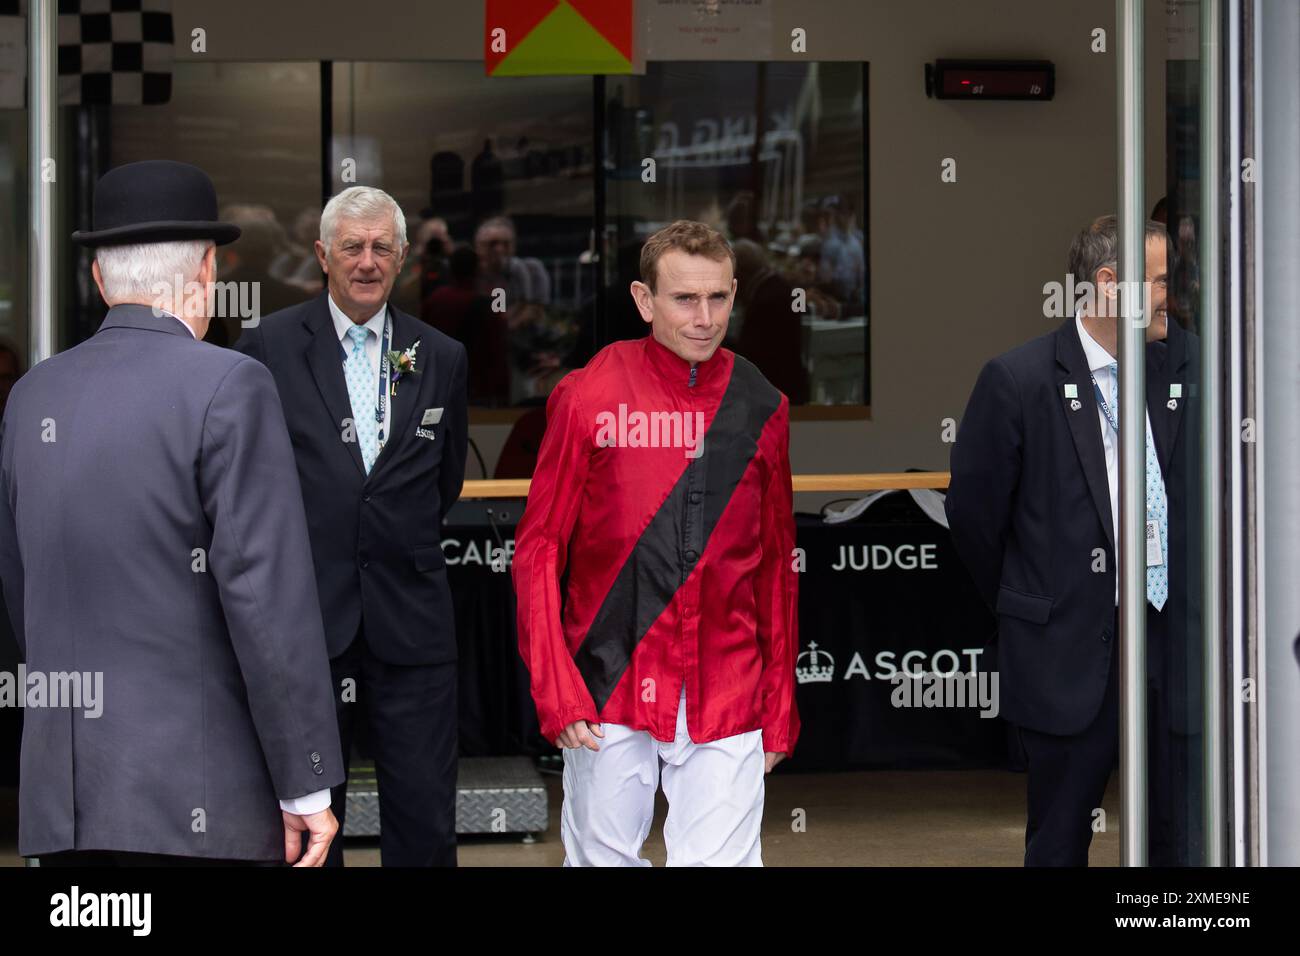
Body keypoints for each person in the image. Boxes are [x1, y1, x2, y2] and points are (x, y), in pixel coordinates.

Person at [0, 160, 342, 866]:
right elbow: (265, 601)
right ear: (208, 272)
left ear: (100, 278)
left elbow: (20, 588)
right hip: (198, 804)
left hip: (65, 806)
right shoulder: (230, 385)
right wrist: (305, 783)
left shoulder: (32, 396)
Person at [512, 219, 801, 867]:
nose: (704, 317)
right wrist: (555, 685)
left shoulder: (763, 404)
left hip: (728, 683)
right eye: (683, 299)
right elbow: (537, 550)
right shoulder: (587, 393)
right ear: (644, 301)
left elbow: (778, 565)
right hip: (607, 681)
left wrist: (779, 701)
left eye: (718, 298)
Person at [945, 214, 1198, 865]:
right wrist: (1037, 604)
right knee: (1059, 844)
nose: (1175, 296)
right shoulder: (1019, 381)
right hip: (1067, 655)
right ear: (1112, 285)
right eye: (1163, 281)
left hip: (1173, 651)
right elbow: (976, 522)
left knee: (1179, 842)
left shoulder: (1189, 367)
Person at [235, 186, 468, 867]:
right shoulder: (266, 348)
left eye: (381, 249)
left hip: (413, 623)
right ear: (322, 256)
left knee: (424, 814)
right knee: (308, 820)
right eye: (352, 248)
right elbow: (250, 483)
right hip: (306, 623)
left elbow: (440, 481)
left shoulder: (440, 355)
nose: (367, 263)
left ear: (400, 260)